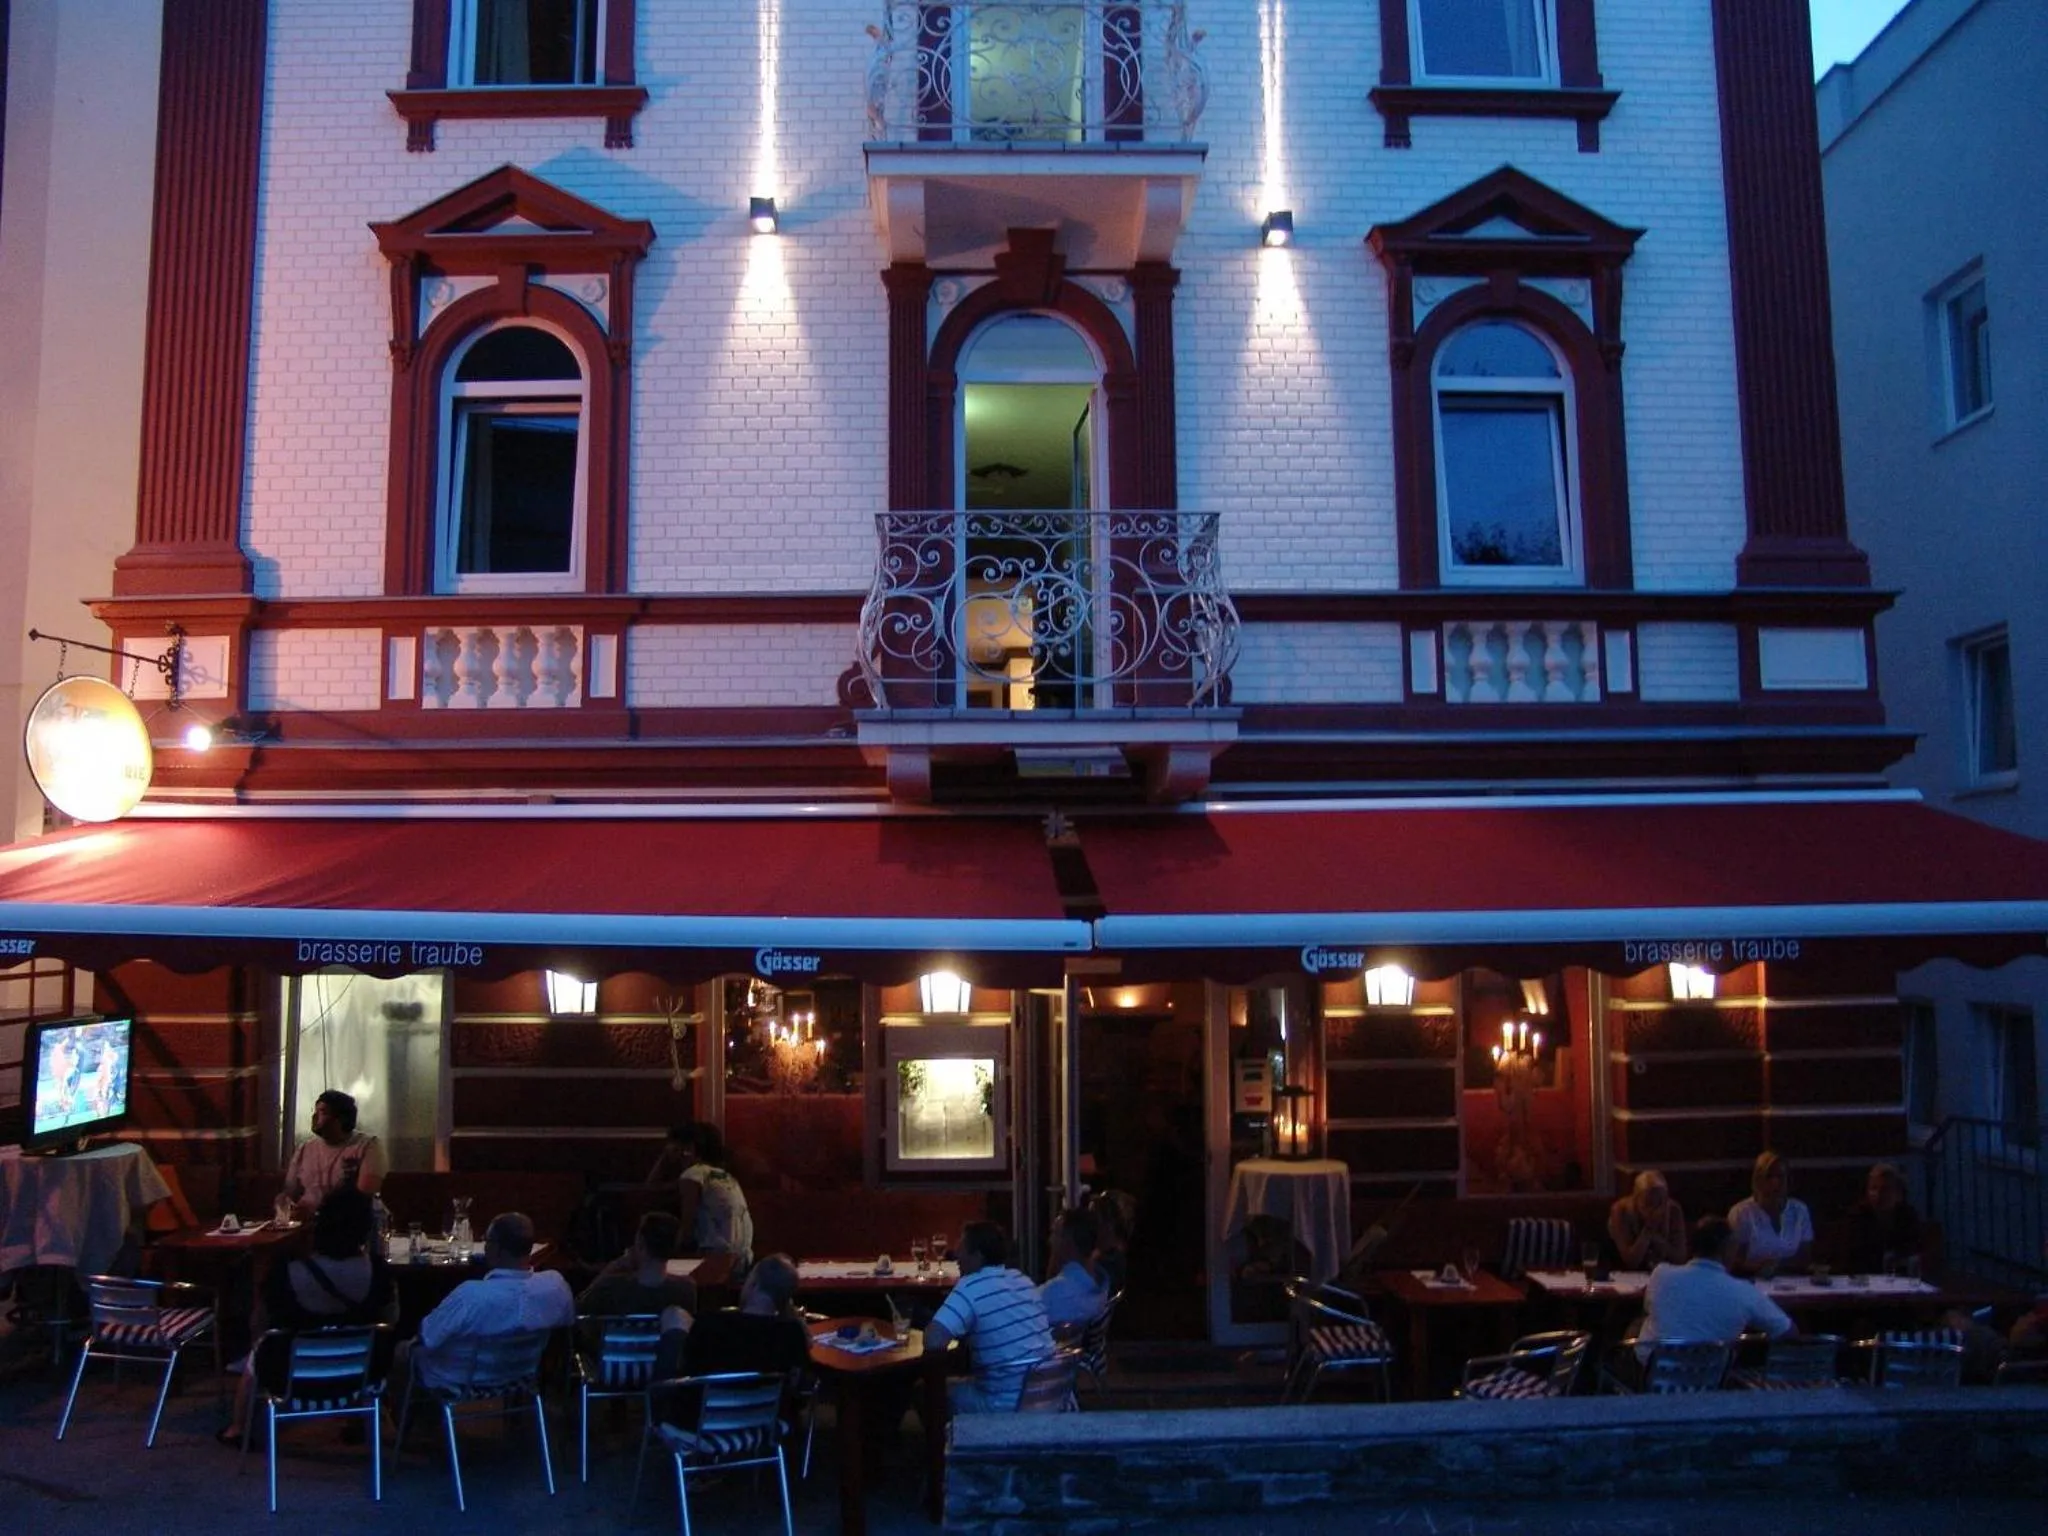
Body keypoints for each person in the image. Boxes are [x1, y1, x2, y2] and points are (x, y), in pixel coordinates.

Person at [218, 1186, 397, 1444]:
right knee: (364, 1343)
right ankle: (360, 1419)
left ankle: (237, 1428)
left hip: (288, 1374)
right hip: (358, 1375)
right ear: (366, 1229)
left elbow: (260, 1324)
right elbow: (390, 1321)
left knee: (258, 1353)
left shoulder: (286, 1271)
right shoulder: (379, 1274)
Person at [401, 1212, 574, 1393]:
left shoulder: (471, 1295)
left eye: (487, 1241)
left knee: (402, 1351)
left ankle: (399, 1419)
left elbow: (426, 1336)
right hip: (520, 1378)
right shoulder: (555, 1286)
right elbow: (565, 1332)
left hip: (460, 1382)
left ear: (495, 1248)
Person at [925, 1220, 1055, 1412]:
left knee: (927, 1391)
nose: (957, 1257)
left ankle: (952, 1441)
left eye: (962, 1250)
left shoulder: (970, 1286)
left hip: (1003, 1404)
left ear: (977, 1256)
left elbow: (933, 1340)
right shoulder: (1023, 1280)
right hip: (1049, 1397)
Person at [1633, 1216, 1794, 1364]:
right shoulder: (1746, 1292)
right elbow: (1789, 1332)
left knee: (1637, 1327)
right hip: (1711, 1381)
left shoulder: (1661, 1274)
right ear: (1728, 1249)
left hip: (1650, 1378)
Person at [663, 1252, 811, 1380]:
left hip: (708, 1411)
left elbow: (687, 1370)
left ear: (754, 1284)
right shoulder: (792, 1333)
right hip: (771, 1412)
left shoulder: (709, 1324)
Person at [649, 1121, 753, 1268]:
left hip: (714, 1259)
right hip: (741, 1259)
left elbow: (687, 1227)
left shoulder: (692, 1175)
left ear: (688, 1148)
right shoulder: (723, 1175)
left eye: (674, 1145)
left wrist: (665, 1258)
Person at [282, 1089, 386, 1215]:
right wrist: (285, 1205)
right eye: (315, 1112)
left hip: (352, 1222)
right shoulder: (305, 1148)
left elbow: (365, 1193)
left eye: (322, 1112)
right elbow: (290, 1192)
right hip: (308, 1223)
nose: (314, 1117)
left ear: (341, 1119)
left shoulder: (367, 1145)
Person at [577, 1211, 699, 1318]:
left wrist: (612, 1267)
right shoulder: (686, 1289)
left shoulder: (610, 1286)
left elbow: (579, 1307)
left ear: (640, 1242)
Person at [1727, 1150, 1812, 1278]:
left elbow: (1805, 1257)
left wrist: (1778, 1266)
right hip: (1752, 1283)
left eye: (1780, 1176)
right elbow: (1733, 1260)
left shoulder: (1800, 1210)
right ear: (1757, 1180)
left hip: (1793, 1281)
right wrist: (1759, 1268)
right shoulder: (1742, 1213)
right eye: (1769, 1176)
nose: (1775, 1183)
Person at [1841, 1162, 1923, 1275]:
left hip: (1900, 1278)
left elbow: (1913, 1252)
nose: (1878, 1194)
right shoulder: (1857, 1216)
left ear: (1898, 1193)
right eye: (1873, 1188)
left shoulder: (1908, 1216)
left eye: (1885, 1189)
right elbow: (1854, 1256)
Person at [1039, 1206, 1109, 1328]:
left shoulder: (1055, 1292)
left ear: (1068, 1242)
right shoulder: (1101, 1281)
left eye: (1054, 1233)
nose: (1049, 1241)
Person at [1608, 1170, 1688, 1270]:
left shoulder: (1673, 1210)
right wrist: (1648, 1231)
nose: (1655, 1210)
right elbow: (1631, 1261)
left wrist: (1656, 1239)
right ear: (1636, 1199)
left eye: (1660, 1203)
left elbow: (1680, 1258)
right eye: (1649, 1203)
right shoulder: (1621, 1211)